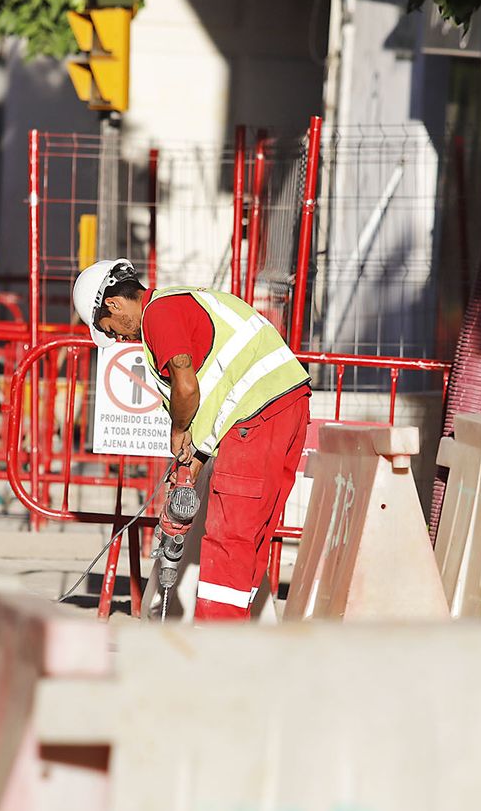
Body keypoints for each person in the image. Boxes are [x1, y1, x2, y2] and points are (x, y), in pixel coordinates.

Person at [73, 257, 311, 621]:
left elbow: (187, 386)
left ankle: (213, 647)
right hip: (284, 406)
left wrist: (179, 430)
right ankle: (235, 640)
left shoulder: (159, 312)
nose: (118, 337)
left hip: (256, 419)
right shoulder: (183, 303)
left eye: (109, 328)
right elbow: (218, 393)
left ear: (114, 304)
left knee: (227, 537)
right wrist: (194, 459)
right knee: (251, 537)